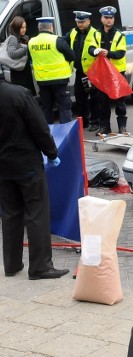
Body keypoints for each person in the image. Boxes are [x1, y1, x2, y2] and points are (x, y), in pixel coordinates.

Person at [0, 71, 69, 280]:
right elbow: (39, 127)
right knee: (36, 212)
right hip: (26, 163)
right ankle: (40, 267)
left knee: (9, 214)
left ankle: (11, 265)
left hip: (2, 168)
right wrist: (52, 153)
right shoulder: (19, 94)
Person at [89, 6, 128, 135]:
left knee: (119, 102)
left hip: (117, 73)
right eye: (106, 17)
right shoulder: (96, 34)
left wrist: (108, 53)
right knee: (102, 102)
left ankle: (122, 127)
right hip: (103, 73)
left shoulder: (119, 34)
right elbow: (90, 48)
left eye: (111, 18)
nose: (109, 20)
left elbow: (121, 53)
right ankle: (105, 127)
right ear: (101, 18)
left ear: (113, 19)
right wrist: (95, 51)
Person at [28, 16, 74, 124]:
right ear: (51, 27)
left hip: (42, 81)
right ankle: (66, 134)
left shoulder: (31, 42)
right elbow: (72, 55)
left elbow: (31, 59)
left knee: (46, 108)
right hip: (60, 80)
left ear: (39, 28)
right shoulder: (57, 40)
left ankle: (48, 135)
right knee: (64, 107)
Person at [65, 10, 99, 131]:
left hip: (91, 72)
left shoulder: (95, 33)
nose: (80, 24)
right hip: (80, 72)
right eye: (78, 22)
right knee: (80, 98)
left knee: (94, 98)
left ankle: (95, 122)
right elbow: (62, 41)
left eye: (82, 22)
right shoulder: (73, 32)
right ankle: (83, 122)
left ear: (88, 21)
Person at [5, 16, 36, 95]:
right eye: (21, 27)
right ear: (16, 27)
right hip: (18, 72)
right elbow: (12, 53)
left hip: (25, 69)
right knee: (21, 95)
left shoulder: (24, 37)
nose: (24, 29)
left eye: (25, 27)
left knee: (28, 94)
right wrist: (26, 47)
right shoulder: (13, 38)